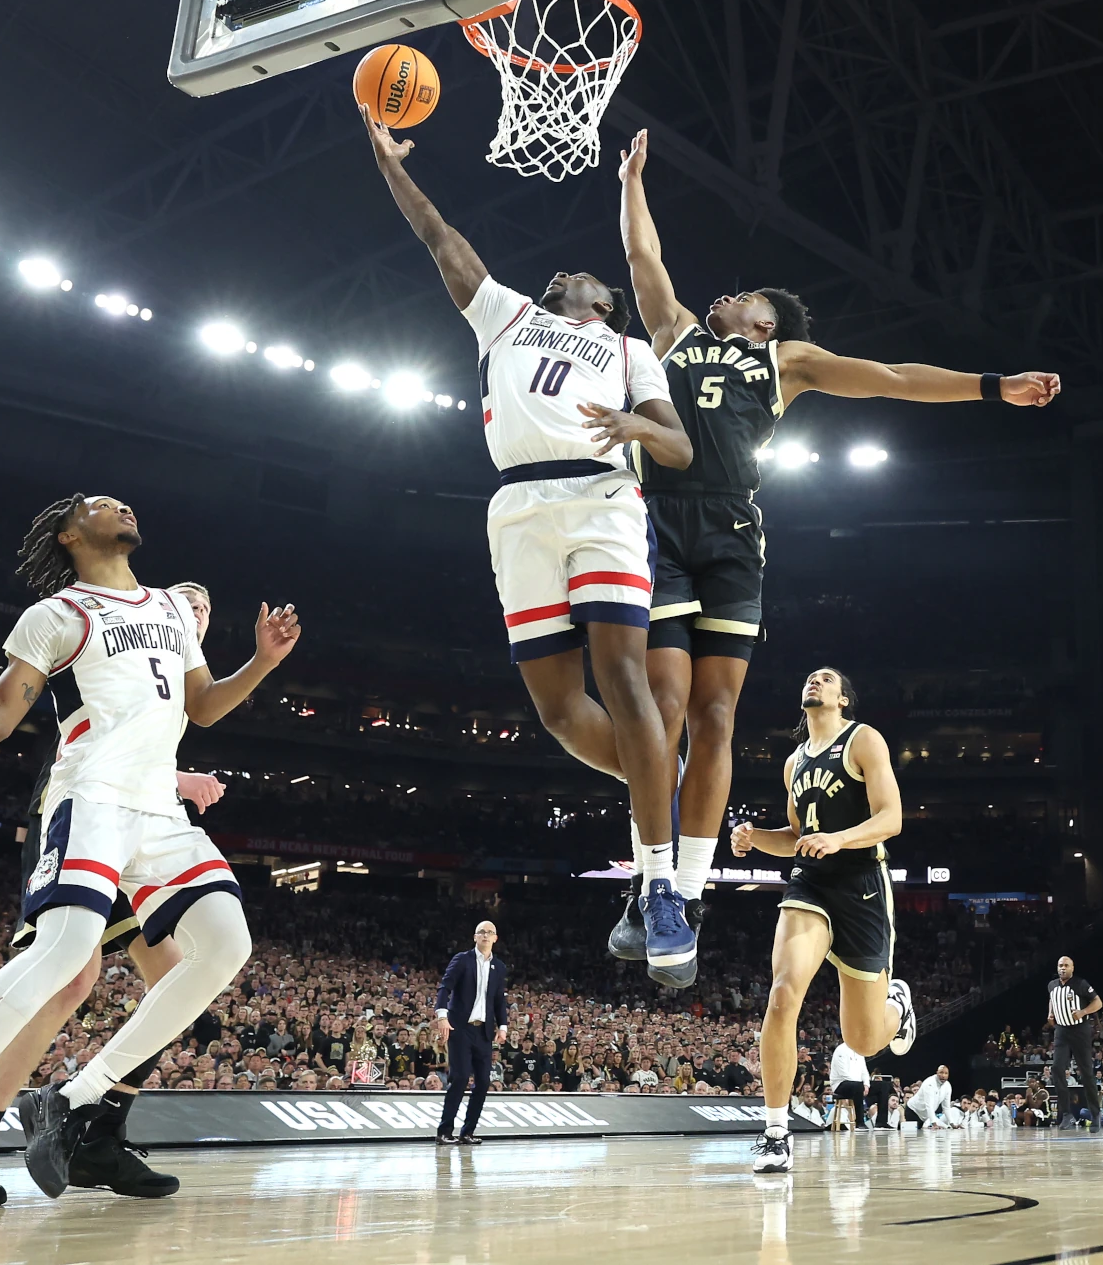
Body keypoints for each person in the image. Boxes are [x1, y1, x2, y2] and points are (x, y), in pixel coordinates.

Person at [607, 130, 1064, 981]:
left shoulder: (789, 361)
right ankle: (653, 881)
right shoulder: (670, 333)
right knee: (663, 708)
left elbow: (892, 375)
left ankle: (691, 896)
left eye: (748, 296)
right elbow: (642, 256)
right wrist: (632, 181)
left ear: (768, 322)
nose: (731, 294)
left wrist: (992, 386)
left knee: (715, 719)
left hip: (733, 535)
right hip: (662, 519)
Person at [0, 493, 297, 1219]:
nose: (122, 504)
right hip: (90, 797)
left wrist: (263, 662)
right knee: (65, 957)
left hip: (157, 809)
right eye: (100, 503)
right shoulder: (57, 615)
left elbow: (203, 706)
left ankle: (78, 1097)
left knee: (225, 944)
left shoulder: (173, 609)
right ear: (70, 533)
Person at [362, 116, 697, 987]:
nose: (561, 272)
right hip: (517, 508)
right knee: (555, 711)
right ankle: (661, 778)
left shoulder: (628, 349)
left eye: (577, 274)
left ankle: (660, 884)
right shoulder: (506, 316)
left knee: (623, 683)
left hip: (600, 499)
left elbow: (680, 448)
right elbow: (441, 236)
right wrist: (388, 166)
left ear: (604, 301)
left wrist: (633, 423)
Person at [0, 580, 228, 1206]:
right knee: (70, 977)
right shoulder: (124, 646)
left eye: (206, 607)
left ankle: (100, 1133)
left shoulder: (182, 681)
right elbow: (85, 741)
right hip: (80, 813)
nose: (197, 610)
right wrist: (176, 776)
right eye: (187, 601)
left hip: (140, 831)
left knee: (176, 982)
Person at [731, 667, 917, 1173]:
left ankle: (897, 1007)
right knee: (783, 991)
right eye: (811, 677)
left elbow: (891, 818)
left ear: (843, 699)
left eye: (827, 678)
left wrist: (839, 838)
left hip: (861, 884)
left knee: (861, 1040)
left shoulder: (863, 740)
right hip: (810, 883)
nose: (816, 681)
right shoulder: (794, 763)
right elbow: (796, 837)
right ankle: (774, 1132)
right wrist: (754, 838)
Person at [434, 921, 509, 1145]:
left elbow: (499, 999)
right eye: (481, 932)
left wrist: (503, 1026)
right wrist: (442, 1016)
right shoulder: (462, 960)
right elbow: (444, 987)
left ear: (496, 938)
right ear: (475, 937)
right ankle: (444, 1131)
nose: (485, 936)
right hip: (460, 1028)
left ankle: (468, 1132)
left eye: (490, 933)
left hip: (484, 1031)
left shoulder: (499, 967)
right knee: (459, 1078)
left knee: (484, 1081)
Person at [1046, 956, 1102, 1129]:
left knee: (1086, 1073)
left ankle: (1095, 1114)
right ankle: (1067, 1114)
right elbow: (1052, 999)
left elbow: (1098, 1002)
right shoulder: (1052, 985)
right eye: (1060, 965)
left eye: (1066, 966)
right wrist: (1050, 1013)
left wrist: (1083, 1012)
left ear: (1072, 968)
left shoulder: (1081, 984)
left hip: (1079, 1030)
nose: (1062, 968)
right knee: (1056, 1068)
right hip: (1061, 1031)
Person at [829, 1042, 870, 1128]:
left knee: (882, 1086)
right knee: (857, 1086)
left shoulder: (860, 1052)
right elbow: (843, 1073)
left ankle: (881, 1122)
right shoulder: (841, 1050)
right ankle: (860, 1123)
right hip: (840, 1084)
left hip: (858, 1084)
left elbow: (864, 1071)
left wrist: (866, 1084)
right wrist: (861, 1084)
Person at [905, 1065, 955, 1130]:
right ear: (937, 1073)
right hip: (913, 1111)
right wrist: (934, 1124)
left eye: (946, 1073)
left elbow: (946, 1107)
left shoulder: (948, 1086)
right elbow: (929, 1105)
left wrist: (952, 1124)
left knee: (920, 1137)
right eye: (941, 1072)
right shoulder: (929, 1083)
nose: (943, 1075)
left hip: (925, 1116)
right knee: (912, 1137)